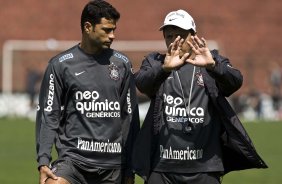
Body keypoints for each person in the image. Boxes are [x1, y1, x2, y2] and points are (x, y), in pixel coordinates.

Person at [132, 9, 267, 184]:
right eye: (169, 36)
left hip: (205, 166)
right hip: (162, 167)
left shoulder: (211, 61)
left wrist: (213, 66)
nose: (174, 41)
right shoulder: (156, 62)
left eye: (180, 35)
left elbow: (235, 81)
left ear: (193, 35)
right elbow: (142, 83)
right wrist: (164, 69)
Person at [36, 1, 140, 184]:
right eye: (106, 30)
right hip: (73, 161)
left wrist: (130, 167)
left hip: (112, 165)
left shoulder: (122, 64)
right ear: (88, 27)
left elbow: (130, 118)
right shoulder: (60, 65)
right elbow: (49, 114)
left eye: (114, 30)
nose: (112, 35)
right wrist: (43, 160)